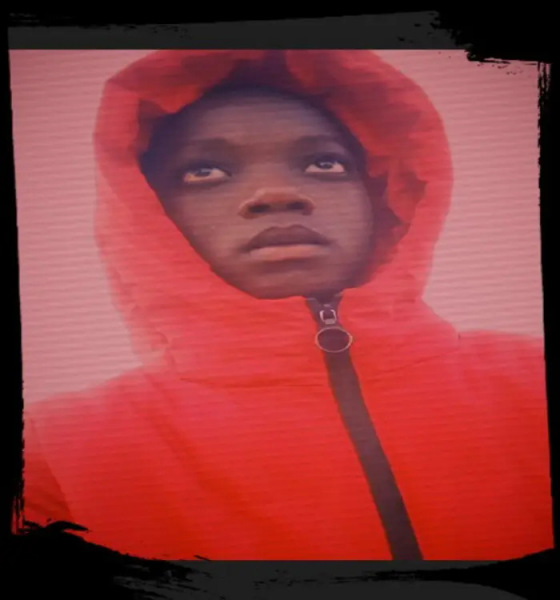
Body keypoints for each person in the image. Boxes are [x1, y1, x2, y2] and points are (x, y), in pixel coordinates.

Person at [22, 50, 552, 561]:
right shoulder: (60, 454)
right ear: (148, 212)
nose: (275, 193)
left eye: (324, 163)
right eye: (204, 172)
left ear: (381, 196)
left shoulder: (534, 382)